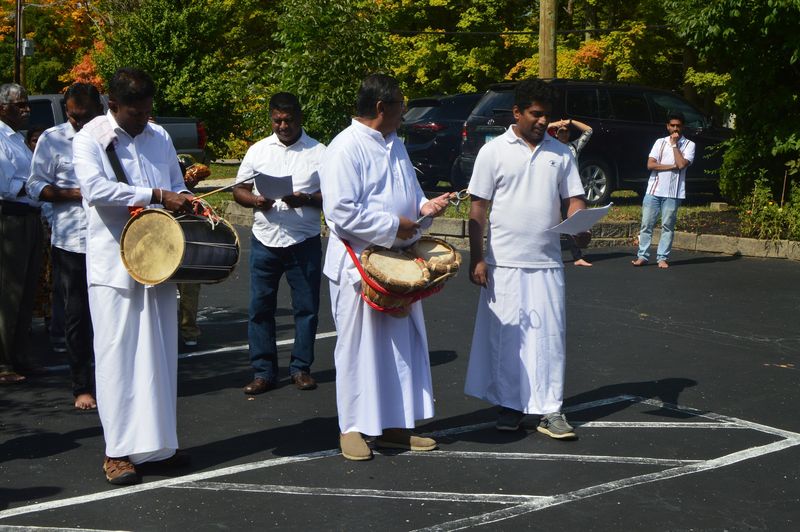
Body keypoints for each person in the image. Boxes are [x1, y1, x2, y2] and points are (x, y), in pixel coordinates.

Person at [320, 74, 451, 461]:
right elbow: (340, 212)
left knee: (399, 348)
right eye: (400, 106)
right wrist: (395, 226)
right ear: (381, 107)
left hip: (397, 261)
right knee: (357, 349)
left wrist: (425, 207)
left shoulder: (395, 143)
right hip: (358, 264)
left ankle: (394, 425)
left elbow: (410, 191)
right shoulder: (345, 147)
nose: (404, 114)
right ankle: (352, 428)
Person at [72, 68, 194, 485]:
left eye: (147, 111)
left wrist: (188, 201)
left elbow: (177, 184)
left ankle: (158, 447)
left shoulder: (159, 136)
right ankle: (117, 452)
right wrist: (156, 195)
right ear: (113, 105)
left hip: (160, 261)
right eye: (135, 113)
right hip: (114, 266)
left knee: (159, 356)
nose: (143, 119)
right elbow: (96, 191)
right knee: (117, 359)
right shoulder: (90, 138)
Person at [464, 78, 589, 439]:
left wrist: (580, 226)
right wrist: (477, 258)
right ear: (516, 112)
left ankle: (551, 410)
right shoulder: (493, 152)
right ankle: (510, 406)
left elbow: (575, 199)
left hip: (547, 263)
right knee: (506, 341)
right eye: (535, 114)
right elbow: (478, 208)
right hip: (503, 263)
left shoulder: (561, 153)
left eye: (546, 114)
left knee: (550, 339)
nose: (542, 120)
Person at [233, 92, 326, 394]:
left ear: (300, 118)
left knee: (306, 308)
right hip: (266, 240)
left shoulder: (320, 152)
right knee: (260, 308)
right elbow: (239, 189)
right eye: (277, 120)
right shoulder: (258, 150)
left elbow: (336, 195)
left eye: (288, 120)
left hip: (303, 241)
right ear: (271, 118)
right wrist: (255, 201)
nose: (283, 126)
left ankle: (301, 369)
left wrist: (306, 198)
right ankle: (263, 372)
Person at [27, 83, 104, 409]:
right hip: (72, 243)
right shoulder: (53, 139)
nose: (77, 122)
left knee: (111, 316)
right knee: (77, 317)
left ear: (99, 111)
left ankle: (113, 382)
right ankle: (82, 386)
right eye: (72, 116)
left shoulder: (110, 137)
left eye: (84, 117)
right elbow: (35, 185)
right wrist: (75, 194)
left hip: (112, 240)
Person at [0, 83, 44, 385]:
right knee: (9, 292)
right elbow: (6, 186)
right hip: (11, 219)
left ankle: (20, 355)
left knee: (27, 290)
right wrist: (37, 187)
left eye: (27, 103)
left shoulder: (16, 138)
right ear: (3, 108)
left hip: (30, 217)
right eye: (20, 105)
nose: (27, 109)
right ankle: (4, 361)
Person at [632, 111, 695, 269]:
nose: (675, 129)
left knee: (667, 226)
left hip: (673, 193)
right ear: (667, 126)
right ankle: (642, 256)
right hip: (653, 190)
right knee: (646, 225)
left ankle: (662, 258)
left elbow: (682, 164)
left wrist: (674, 145)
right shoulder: (659, 142)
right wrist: (671, 166)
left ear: (682, 127)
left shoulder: (689, 145)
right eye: (672, 125)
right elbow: (650, 165)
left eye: (678, 126)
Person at [550, 118, 593, 267]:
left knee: (571, 222)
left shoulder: (574, 146)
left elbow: (589, 130)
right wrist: (555, 124)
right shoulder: (549, 147)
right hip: (552, 189)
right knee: (548, 220)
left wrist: (570, 121)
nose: (564, 134)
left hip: (569, 190)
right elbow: (538, 131)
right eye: (561, 131)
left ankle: (577, 256)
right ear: (556, 134)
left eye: (566, 131)